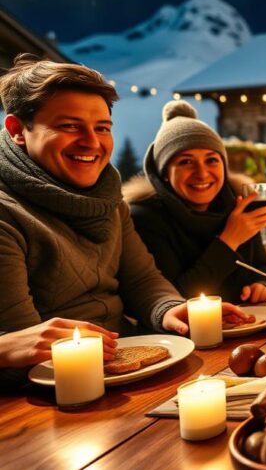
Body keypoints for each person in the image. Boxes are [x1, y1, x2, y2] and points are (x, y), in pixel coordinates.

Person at [0, 55, 249, 380]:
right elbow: (23, 348)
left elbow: (142, 279)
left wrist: (169, 309)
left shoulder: (109, 198)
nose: (92, 142)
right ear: (18, 130)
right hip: (54, 389)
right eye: (70, 126)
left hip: (129, 363)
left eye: (102, 128)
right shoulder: (7, 214)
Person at [124, 101, 266, 303]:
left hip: (252, 322)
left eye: (212, 160)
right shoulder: (144, 218)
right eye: (186, 161)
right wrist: (229, 239)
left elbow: (264, 269)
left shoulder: (236, 204)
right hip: (184, 333)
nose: (202, 173)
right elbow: (175, 297)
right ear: (164, 174)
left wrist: (262, 286)